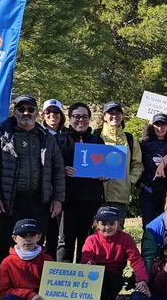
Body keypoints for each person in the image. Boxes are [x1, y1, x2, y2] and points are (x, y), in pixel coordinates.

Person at [0, 95, 66, 274]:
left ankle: (33, 287)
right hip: (9, 202)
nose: (26, 113)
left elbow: (58, 171)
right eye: (22, 109)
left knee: (37, 245)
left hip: (39, 200)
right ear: (15, 112)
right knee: (6, 245)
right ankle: (5, 291)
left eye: (30, 109)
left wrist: (58, 199)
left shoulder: (46, 137)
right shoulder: (1, 134)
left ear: (37, 113)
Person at [82, 206, 151, 300]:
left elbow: (136, 260)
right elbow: (87, 258)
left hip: (115, 274)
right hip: (96, 274)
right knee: (98, 278)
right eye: (103, 223)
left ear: (118, 223)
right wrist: (89, 264)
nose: (107, 227)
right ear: (97, 224)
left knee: (115, 279)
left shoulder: (126, 239)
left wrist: (142, 279)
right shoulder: (91, 240)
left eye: (111, 223)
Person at [58, 103, 106, 263]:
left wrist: (104, 175)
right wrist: (63, 170)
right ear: (69, 118)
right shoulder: (60, 139)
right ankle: (62, 279)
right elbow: (51, 166)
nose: (81, 120)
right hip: (68, 200)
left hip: (91, 199)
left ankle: (83, 283)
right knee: (65, 242)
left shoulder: (97, 140)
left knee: (87, 241)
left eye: (84, 116)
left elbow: (105, 169)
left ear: (89, 119)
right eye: (76, 116)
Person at [98, 101, 142, 218]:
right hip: (97, 193)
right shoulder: (95, 136)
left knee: (117, 230)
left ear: (122, 116)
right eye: (110, 113)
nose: (114, 116)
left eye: (118, 113)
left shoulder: (130, 139)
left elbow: (137, 164)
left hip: (120, 195)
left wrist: (129, 181)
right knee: (96, 232)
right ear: (104, 117)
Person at [40, 99, 69, 251]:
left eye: (56, 112)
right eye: (48, 112)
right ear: (43, 115)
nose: (52, 115)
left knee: (55, 236)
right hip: (42, 191)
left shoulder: (67, 136)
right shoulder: (37, 134)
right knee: (39, 234)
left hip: (61, 191)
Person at [137, 113, 167, 226]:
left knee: (166, 224)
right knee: (148, 224)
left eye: (163, 125)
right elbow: (137, 163)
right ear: (152, 127)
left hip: (166, 191)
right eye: (157, 125)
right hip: (148, 190)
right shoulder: (144, 144)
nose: (160, 128)